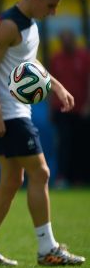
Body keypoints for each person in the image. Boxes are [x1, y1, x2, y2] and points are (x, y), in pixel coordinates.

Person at [0, 0, 85, 266]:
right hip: (9, 114)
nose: (53, 12)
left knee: (11, 180)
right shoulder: (8, 25)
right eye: (50, 5)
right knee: (42, 173)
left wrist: (56, 85)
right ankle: (47, 248)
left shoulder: (29, 24)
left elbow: (29, 61)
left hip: (16, 111)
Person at [49, 29, 90, 186]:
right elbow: (49, 84)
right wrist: (50, 108)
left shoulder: (84, 57)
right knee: (63, 143)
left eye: (68, 39)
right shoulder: (56, 59)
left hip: (80, 109)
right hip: (61, 109)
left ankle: (80, 178)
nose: (66, 43)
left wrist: (88, 104)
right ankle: (62, 177)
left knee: (80, 144)